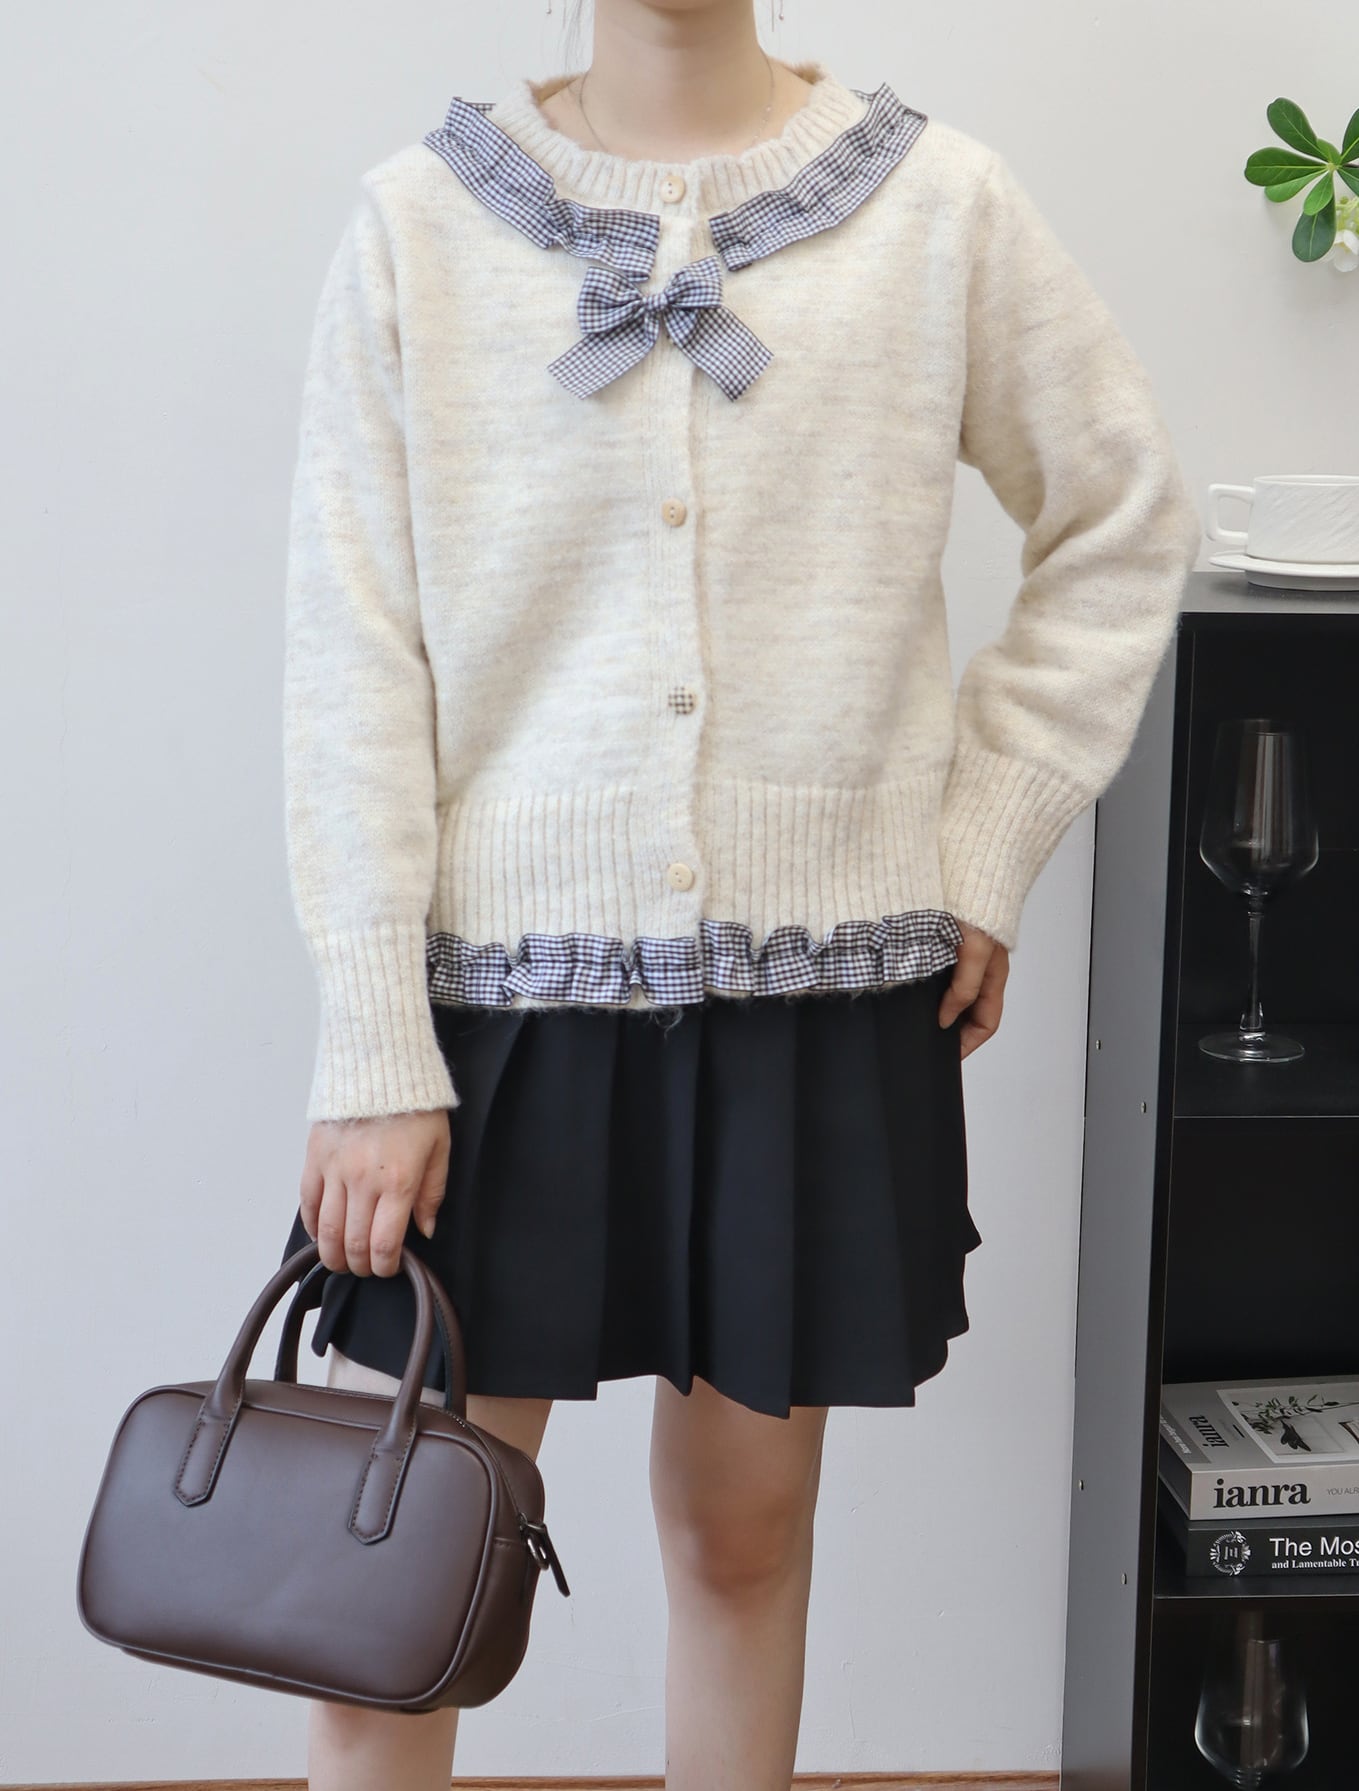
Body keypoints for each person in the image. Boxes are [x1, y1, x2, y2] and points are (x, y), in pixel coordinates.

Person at [275, 2, 1202, 1786]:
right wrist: (374, 1039)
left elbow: (1122, 513)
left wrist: (981, 840)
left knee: (744, 1535)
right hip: (496, 1008)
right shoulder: (419, 225)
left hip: (817, 992)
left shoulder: (938, 206)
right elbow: (352, 659)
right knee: (403, 1565)